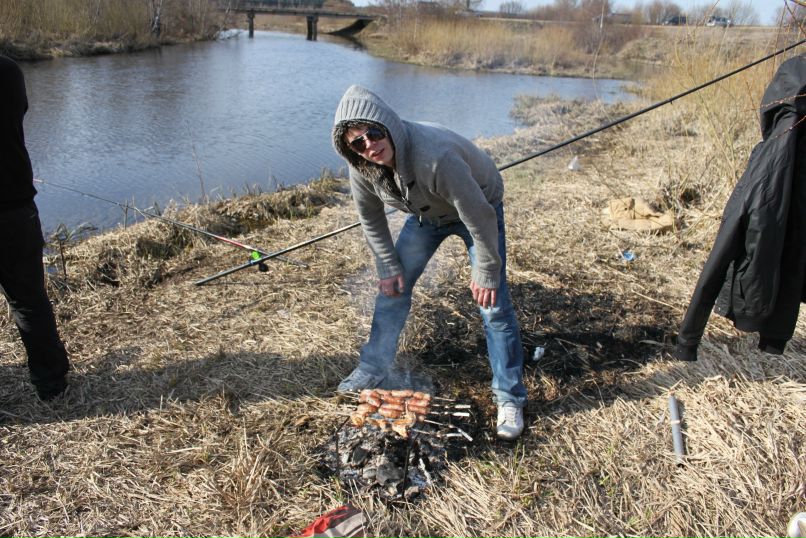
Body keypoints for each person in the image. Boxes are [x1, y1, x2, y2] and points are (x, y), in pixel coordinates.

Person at [332, 85, 527, 440]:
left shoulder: (436, 156)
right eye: (358, 143)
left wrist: (486, 271)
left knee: (493, 305)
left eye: (373, 133)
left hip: (477, 206)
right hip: (426, 214)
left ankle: (509, 397)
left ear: (387, 124)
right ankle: (372, 366)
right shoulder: (362, 167)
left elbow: (479, 215)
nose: (370, 145)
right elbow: (371, 219)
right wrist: (387, 267)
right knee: (393, 289)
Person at [0, 55, 70, 401]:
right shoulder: (8, 70)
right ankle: (51, 384)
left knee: (29, 301)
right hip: (15, 209)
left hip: (15, 207)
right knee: (29, 300)